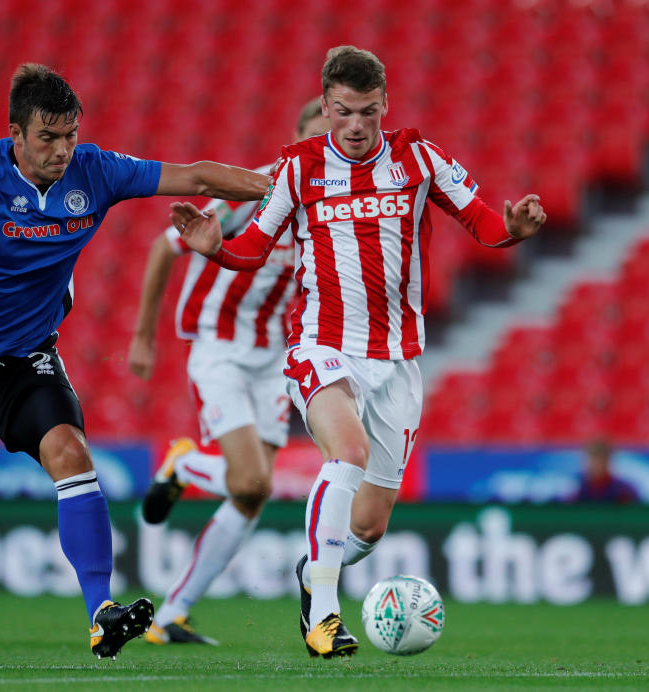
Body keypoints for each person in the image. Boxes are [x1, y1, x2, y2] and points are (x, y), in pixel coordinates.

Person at [0, 63, 270, 659]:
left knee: (72, 452)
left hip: (28, 359)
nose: (63, 150)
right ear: (16, 134)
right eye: (48, 137)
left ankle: (101, 614)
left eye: (70, 135)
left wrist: (285, 188)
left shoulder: (96, 171)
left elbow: (194, 176)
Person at [173, 46, 547, 658]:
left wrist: (515, 231)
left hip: (397, 359)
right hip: (321, 343)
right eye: (343, 111)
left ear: (385, 107)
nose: (354, 125)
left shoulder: (420, 158)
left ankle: (310, 573)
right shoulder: (297, 169)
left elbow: (483, 221)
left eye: (368, 113)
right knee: (344, 452)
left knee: (368, 527)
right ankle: (324, 616)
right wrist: (216, 248)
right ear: (326, 107)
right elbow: (253, 251)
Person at [128, 98, 330, 646]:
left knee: (251, 496)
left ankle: (171, 615)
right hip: (219, 347)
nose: (326, 147)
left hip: (273, 360)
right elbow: (163, 247)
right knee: (250, 480)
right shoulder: (260, 190)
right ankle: (185, 464)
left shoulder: (335, 203)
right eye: (316, 135)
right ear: (296, 137)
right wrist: (144, 336)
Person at [572, 438, 640, 503]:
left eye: (601, 458)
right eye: (593, 459)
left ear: (608, 460)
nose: (597, 464)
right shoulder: (578, 488)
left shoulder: (623, 490)